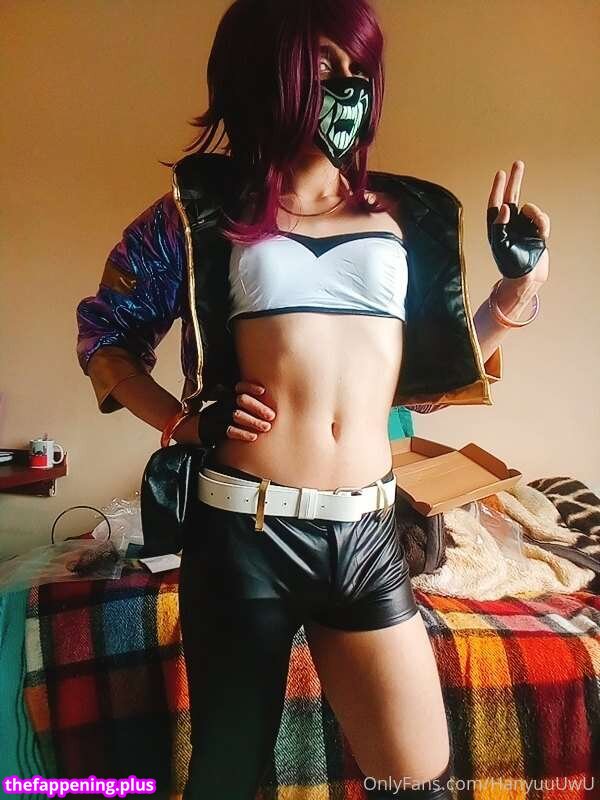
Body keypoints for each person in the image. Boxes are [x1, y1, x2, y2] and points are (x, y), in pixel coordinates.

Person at [76, 1, 550, 797]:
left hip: (367, 535)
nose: (346, 87)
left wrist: (515, 289)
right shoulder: (196, 215)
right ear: (265, 72)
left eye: (358, 69)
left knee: (418, 782)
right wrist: (182, 422)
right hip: (243, 533)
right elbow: (106, 333)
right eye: (324, 67)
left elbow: (427, 379)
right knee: (229, 776)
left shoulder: (407, 219)